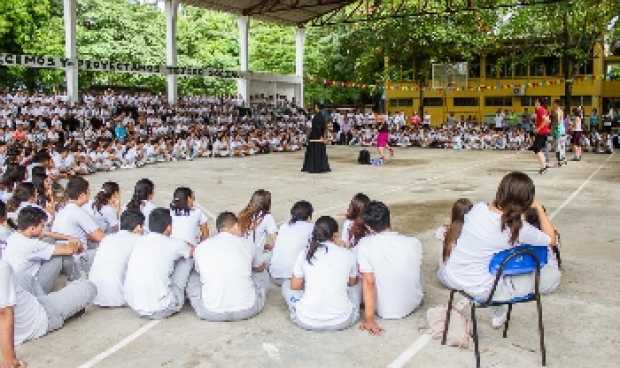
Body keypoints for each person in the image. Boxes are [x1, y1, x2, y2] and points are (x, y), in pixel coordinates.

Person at [442, 172, 561, 328]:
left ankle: (498, 312)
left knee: (498, 265)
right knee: (549, 275)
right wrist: (538, 208)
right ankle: (499, 309)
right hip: (481, 290)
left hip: (451, 275)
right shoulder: (518, 229)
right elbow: (552, 240)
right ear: (527, 201)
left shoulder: (477, 209)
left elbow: (494, 207)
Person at [0, 253, 96, 348]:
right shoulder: (2, 268)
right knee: (88, 286)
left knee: (23, 277)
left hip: (27, 306)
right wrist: (10, 360)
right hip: (42, 316)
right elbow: (4, 314)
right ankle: (55, 304)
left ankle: (50, 299)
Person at [356, 201, 424, 335]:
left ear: (368, 227)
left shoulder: (364, 245)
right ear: (389, 219)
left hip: (383, 310)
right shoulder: (414, 242)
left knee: (362, 275)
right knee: (416, 269)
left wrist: (369, 318)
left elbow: (369, 282)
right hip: (412, 304)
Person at [281, 216, 360, 331]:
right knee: (358, 285)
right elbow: (352, 283)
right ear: (335, 235)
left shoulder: (305, 253)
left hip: (306, 320)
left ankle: (304, 304)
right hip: (342, 320)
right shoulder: (348, 254)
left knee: (286, 285)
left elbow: (295, 286)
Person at [187, 212, 267, 321]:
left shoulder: (201, 247)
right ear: (235, 226)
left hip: (210, 312)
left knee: (193, 274)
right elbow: (260, 268)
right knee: (261, 270)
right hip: (248, 309)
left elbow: (199, 271)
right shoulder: (248, 244)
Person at [123, 208, 193, 319]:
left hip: (134, 304)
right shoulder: (175, 244)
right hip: (161, 308)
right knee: (188, 259)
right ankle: (189, 296)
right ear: (169, 227)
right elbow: (192, 251)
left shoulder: (140, 241)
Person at [3, 207, 82, 294]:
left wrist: (69, 238)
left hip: (16, 283)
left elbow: (44, 234)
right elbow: (69, 250)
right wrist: (77, 242)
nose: (43, 229)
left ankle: (70, 277)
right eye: (42, 226)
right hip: (32, 289)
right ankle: (72, 279)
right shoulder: (30, 244)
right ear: (32, 228)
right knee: (59, 256)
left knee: (49, 241)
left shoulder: (15, 236)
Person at [89, 211, 145, 307]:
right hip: (118, 299)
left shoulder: (107, 238)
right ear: (138, 227)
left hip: (95, 296)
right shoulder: (138, 240)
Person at [51, 177, 105, 273]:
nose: (90, 193)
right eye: (89, 191)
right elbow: (101, 237)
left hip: (64, 259)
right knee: (111, 249)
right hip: (76, 261)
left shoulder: (63, 211)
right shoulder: (78, 212)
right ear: (82, 195)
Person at [269, 201, 314, 285]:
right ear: (309, 216)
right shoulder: (311, 228)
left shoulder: (284, 226)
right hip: (293, 278)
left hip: (275, 275)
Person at [435, 198, 473, 289]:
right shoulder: (474, 233)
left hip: (450, 278)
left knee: (442, 262)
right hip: (469, 278)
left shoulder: (443, 230)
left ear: (453, 213)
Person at [238, 190, 277, 266]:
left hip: (241, 256)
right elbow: (276, 241)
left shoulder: (243, 213)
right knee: (274, 254)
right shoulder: (267, 217)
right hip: (255, 260)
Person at [301, 104, 331, 173]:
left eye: (316, 107)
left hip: (316, 136)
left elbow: (319, 127)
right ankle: (318, 166)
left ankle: (316, 167)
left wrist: (321, 135)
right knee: (318, 151)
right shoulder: (320, 116)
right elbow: (323, 127)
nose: (315, 108)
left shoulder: (318, 116)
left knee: (316, 151)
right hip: (316, 136)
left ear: (318, 108)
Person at [532, 99, 551, 174]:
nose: (535, 103)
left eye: (536, 101)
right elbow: (548, 121)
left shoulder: (541, 110)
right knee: (538, 149)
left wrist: (539, 128)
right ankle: (544, 165)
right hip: (542, 132)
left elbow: (546, 121)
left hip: (542, 132)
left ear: (539, 103)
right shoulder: (540, 110)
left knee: (537, 149)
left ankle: (544, 167)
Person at [551, 100, 568, 167]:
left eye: (553, 104)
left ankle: (559, 161)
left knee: (558, 146)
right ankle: (564, 159)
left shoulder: (557, 111)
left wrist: (552, 128)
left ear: (557, 104)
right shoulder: (561, 111)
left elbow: (557, 122)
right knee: (562, 146)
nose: (552, 105)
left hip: (558, 130)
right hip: (562, 130)